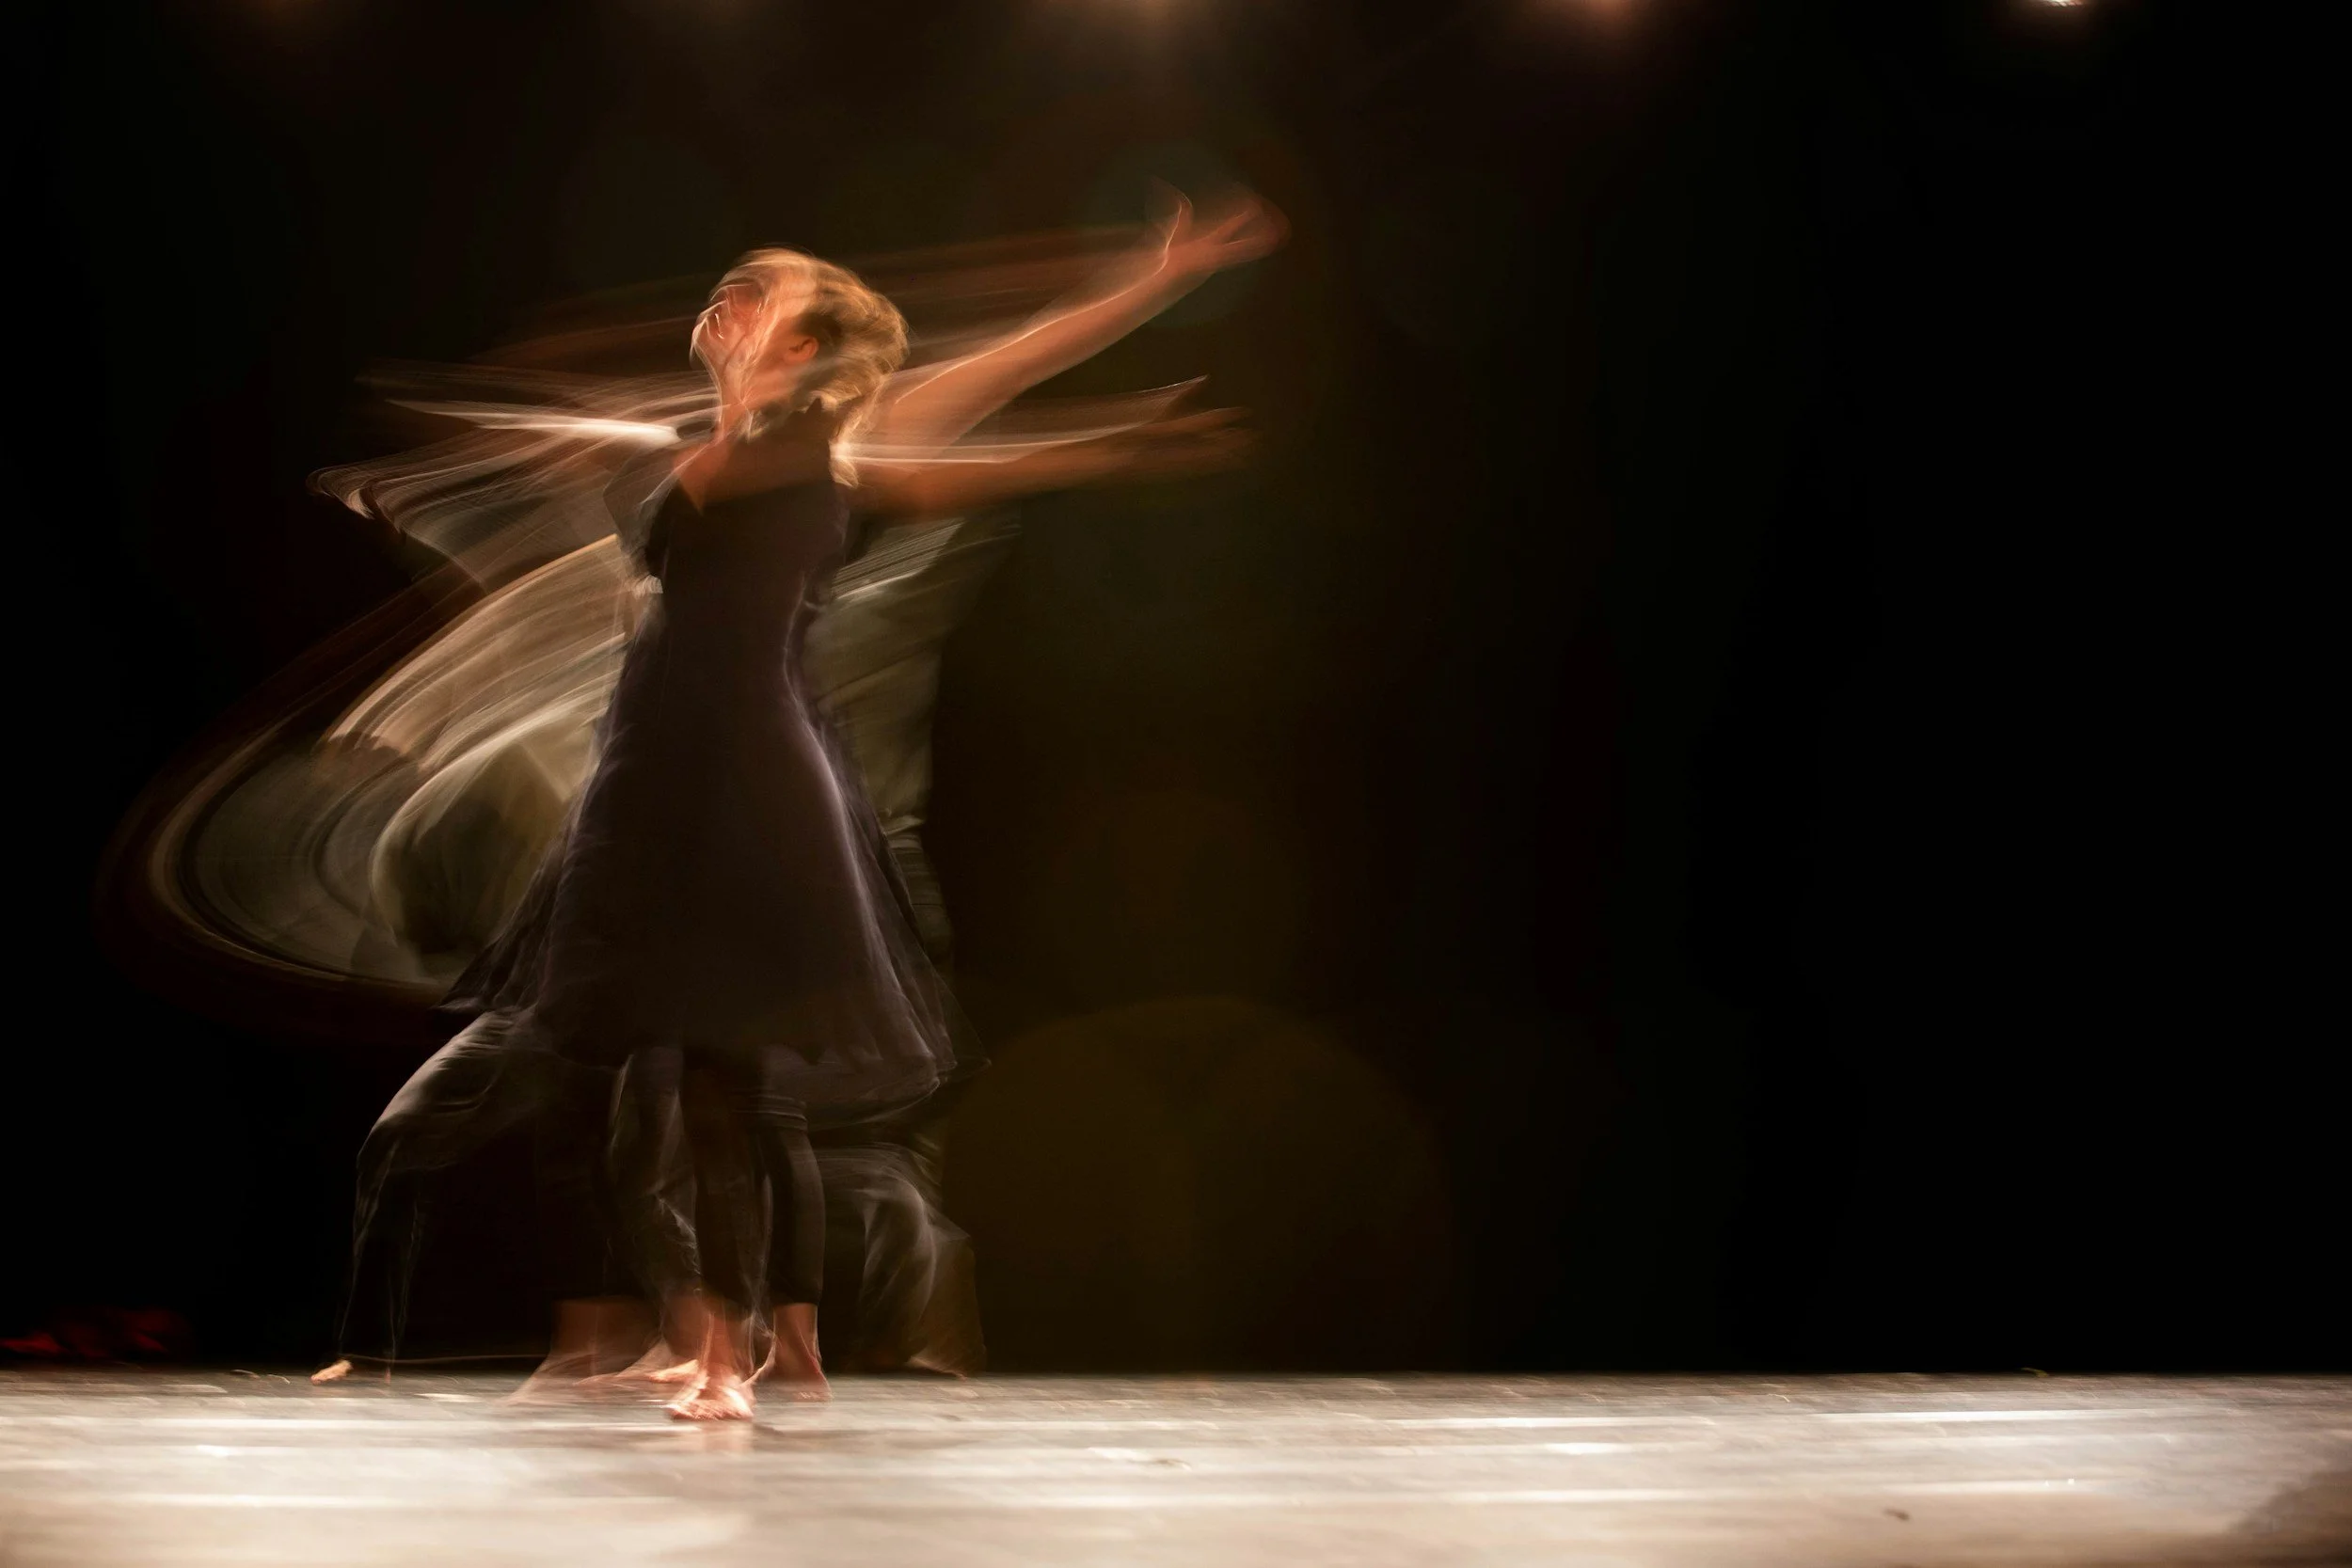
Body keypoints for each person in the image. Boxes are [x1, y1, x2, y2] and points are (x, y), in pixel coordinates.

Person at [320, 188, 1281, 1421]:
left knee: (723, 1071)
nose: (726, 297)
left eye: (757, 291)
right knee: (607, 1055)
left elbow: (1017, 362)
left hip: (750, 766)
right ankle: (662, 1336)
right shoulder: (678, 446)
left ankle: (729, 1357)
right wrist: (427, 480)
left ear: (809, 343)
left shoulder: (840, 446)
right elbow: (556, 447)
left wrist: (1154, 285)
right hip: (642, 768)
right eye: (726, 285)